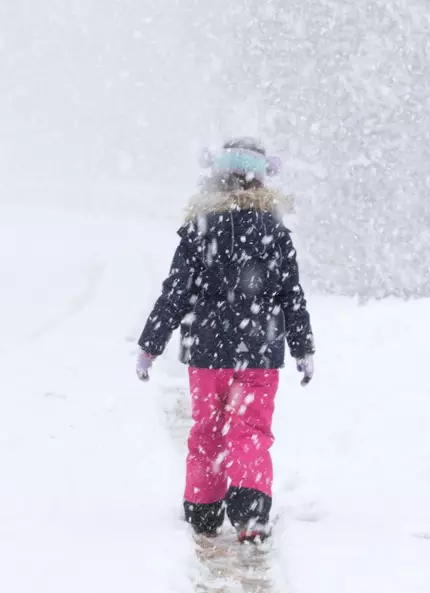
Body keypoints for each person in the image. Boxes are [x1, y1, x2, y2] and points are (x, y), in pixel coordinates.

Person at [135, 137, 315, 543]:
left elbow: (176, 292)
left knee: (208, 430)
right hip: (258, 353)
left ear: (215, 178)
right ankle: (251, 513)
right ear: (262, 180)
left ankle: (203, 510)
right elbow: (292, 296)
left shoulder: (200, 230)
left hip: (207, 352)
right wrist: (303, 348)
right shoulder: (275, 233)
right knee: (250, 430)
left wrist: (151, 344)